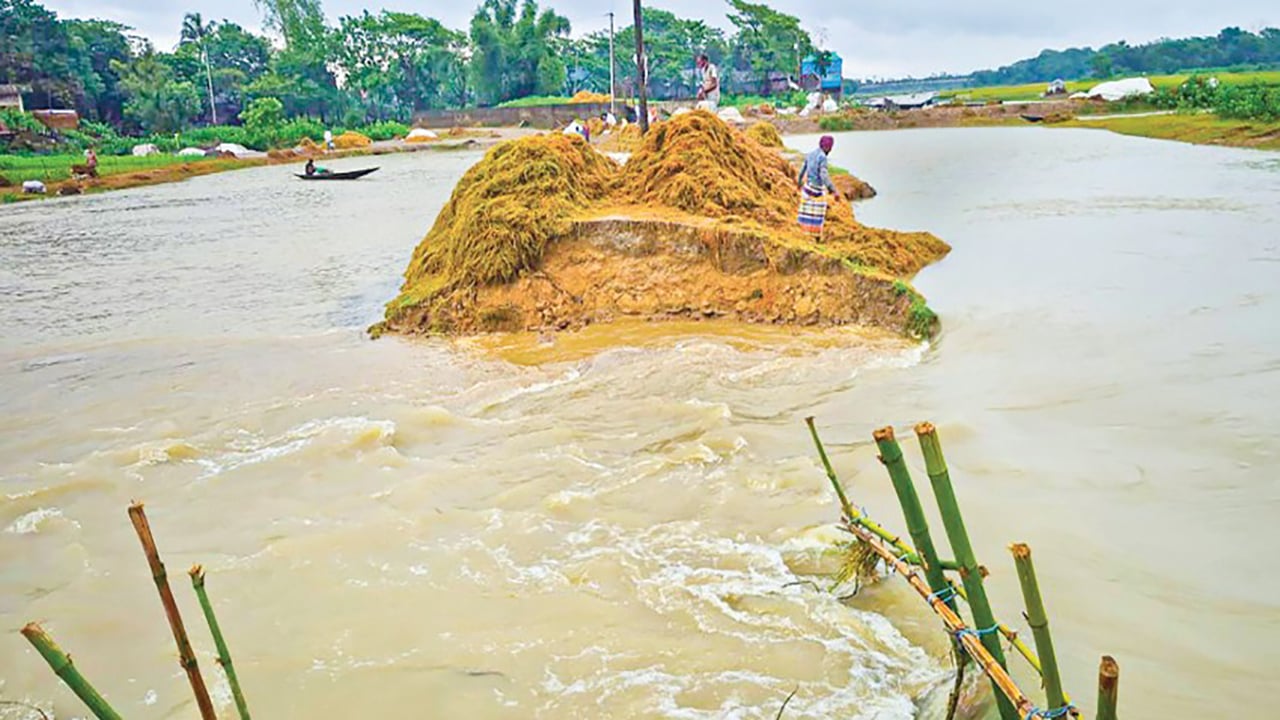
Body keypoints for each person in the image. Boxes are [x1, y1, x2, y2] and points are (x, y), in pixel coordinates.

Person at [796, 136, 839, 238]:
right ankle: (815, 235)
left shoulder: (810, 155)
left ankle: (804, 233)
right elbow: (823, 175)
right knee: (817, 213)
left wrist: (799, 183)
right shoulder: (822, 157)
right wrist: (833, 190)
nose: (830, 150)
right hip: (816, 189)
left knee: (806, 212)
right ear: (828, 147)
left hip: (807, 188)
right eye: (830, 147)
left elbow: (802, 171)